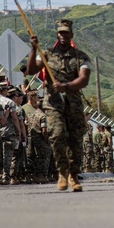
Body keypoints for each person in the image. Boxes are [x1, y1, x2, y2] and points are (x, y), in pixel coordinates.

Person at [25, 19, 92, 192]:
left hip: (73, 103)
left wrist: (67, 86)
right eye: (60, 33)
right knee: (57, 135)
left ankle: (74, 176)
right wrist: (33, 49)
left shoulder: (80, 57)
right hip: (53, 103)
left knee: (75, 141)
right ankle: (62, 172)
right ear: (57, 34)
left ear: (71, 35)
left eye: (66, 33)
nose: (63, 36)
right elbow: (31, 70)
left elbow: (84, 79)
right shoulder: (46, 54)